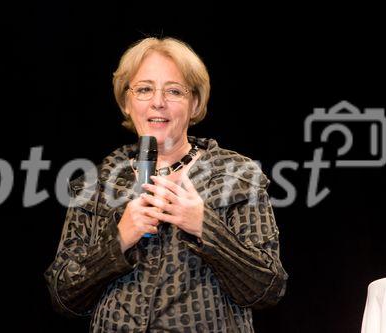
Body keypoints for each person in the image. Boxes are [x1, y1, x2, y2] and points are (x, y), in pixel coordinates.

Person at [45, 37, 288, 332]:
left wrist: (205, 226)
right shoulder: (95, 185)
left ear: (195, 102)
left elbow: (268, 288)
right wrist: (119, 239)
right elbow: (64, 297)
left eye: (173, 91)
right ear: (126, 101)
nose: (158, 102)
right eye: (144, 89)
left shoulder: (237, 176)